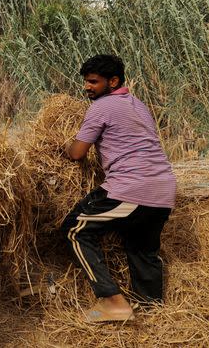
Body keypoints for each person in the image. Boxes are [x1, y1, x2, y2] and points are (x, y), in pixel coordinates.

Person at [62, 54, 176, 322]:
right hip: (163, 191)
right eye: (86, 82)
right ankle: (152, 313)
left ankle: (112, 301)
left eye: (93, 82)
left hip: (131, 188)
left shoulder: (102, 107)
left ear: (113, 81)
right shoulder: (139, 105)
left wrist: (63, 146)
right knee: (141, 250)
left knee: (74, 229)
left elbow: (77, 153)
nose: (87, 87)